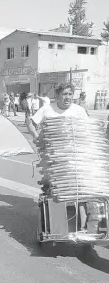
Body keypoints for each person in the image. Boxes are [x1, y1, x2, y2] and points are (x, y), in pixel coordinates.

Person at [27, 83, 89, 232]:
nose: (67, 97)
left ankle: (84, 226)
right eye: (64, 94)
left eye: (70, 94)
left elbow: (87, 130)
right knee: (55, 188)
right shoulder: (47, 109)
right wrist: (36, 137)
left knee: (80, 188)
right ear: (57, 95)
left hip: (75, 155)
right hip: (53, 157)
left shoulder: (79, 110)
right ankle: (57, 225)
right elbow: (30, 123)